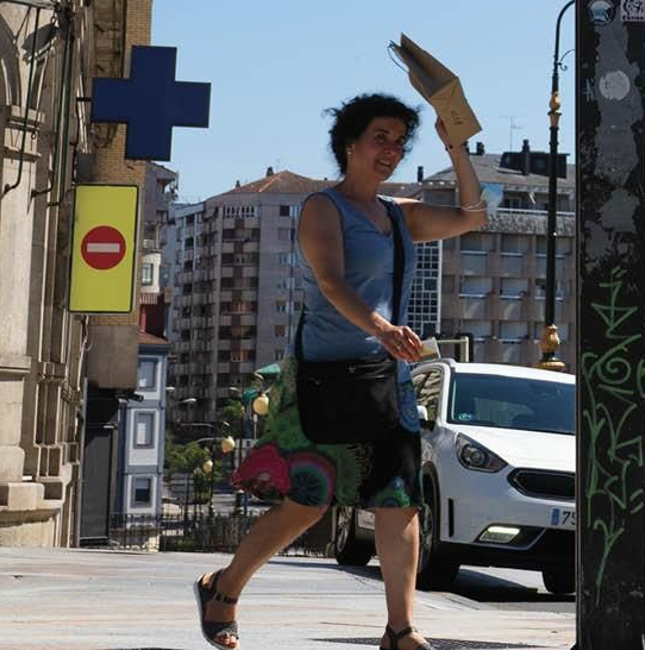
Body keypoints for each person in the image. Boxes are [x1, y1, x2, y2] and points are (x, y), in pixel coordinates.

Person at [193, 93, 484, 650]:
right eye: (380, 138)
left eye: (400, 142)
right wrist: (382, 327)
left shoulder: (400, 216)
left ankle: (400, 630)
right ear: (350, 144)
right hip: (325, 378)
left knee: (399, 500)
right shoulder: (322, 209)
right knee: (308, 500)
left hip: (388, 380)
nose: (391, 150)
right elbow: (330, 281)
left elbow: (473, 216)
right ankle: (223, 589)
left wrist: (457, 148)